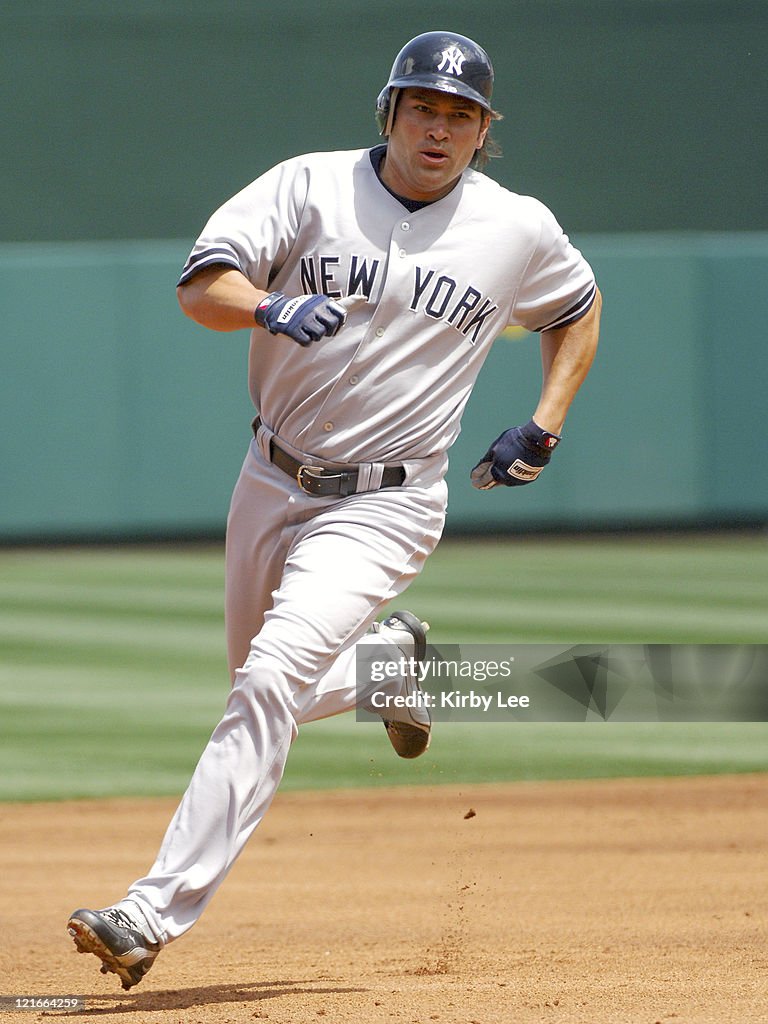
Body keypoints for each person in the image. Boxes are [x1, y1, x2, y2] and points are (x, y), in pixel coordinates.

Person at [67, 29, 601, 989]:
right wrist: (265, 308)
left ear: (486, 133)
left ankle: (148, 913)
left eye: (463, 116)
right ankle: (392, 668)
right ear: (389, 112)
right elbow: (201, 285)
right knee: (261, 691)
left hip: (388, 503)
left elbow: (576, 308)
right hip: (270, 478)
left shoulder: (516, 226)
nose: (441, 130)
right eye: (425, 109)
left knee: (269, 681)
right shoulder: (308, 186)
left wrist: (544, 423)